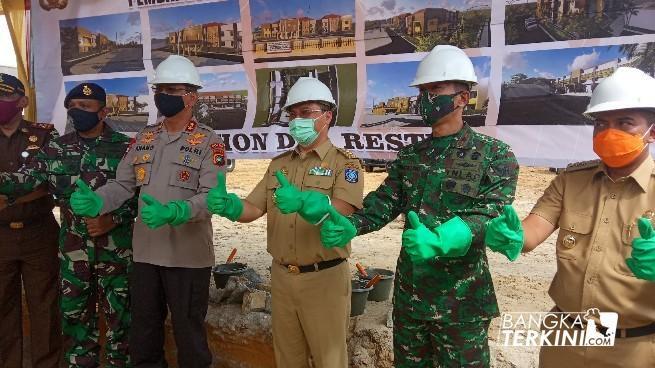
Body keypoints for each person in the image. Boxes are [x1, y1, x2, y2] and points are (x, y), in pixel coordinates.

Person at [319, 45, 519, 367]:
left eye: (435, 89)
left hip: (461, 303)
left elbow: (490, 213)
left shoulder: (495, 154)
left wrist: (445, 238)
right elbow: (385, 201)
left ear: (462, 98)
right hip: (412, 300)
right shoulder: (411, 156)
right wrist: (352, 224)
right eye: (423, 90)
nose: (426, 97)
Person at [485, 66, 655, 367]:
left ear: (651, 131)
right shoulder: (571, 180)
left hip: (635, 348)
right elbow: (532, 232)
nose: (608, 132)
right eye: (601, 123)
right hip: (564, 337)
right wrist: (512, 234)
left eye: (624, 122)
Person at [69, 55, 225, 368]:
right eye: (161, 89)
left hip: (187, 256)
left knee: (189, 337)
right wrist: (99, 201)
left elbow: (214, 197)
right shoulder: (145, 138)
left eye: (173, 89)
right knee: (144, 336)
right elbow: (123, 185)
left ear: (192, 96)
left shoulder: (209, 142)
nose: (164, 95)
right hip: (145, 254)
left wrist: (178, 211)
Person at [207, 77, 364, 367]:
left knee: (330, 360)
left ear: (327, 117)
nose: (297, 120)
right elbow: (253, 208)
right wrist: (230, 206)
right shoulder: (279, 165)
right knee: (288, 360)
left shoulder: (345, 164)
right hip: (282, 278)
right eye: (292, 114)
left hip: (324, 279)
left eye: (306, 113)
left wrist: (306, 203)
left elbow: (344, 211)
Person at [7, 82, 137, 366]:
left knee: (122, 327)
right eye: (72, 108)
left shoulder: (126, 148)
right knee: (77, 328)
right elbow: (24, 180)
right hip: (73, 255)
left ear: (103, 112)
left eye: (85, 107)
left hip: (117, 255)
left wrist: (112, 219)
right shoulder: (55, 149)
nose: (77, 112)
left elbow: (142, 198)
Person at [0, 73, 62, 367]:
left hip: (39, 234)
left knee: (45, 306)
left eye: (5, 97)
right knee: (2, 309)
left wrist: (10, 196)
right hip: (0, 236)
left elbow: (50, 181)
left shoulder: (46, 135)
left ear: (22, 101)